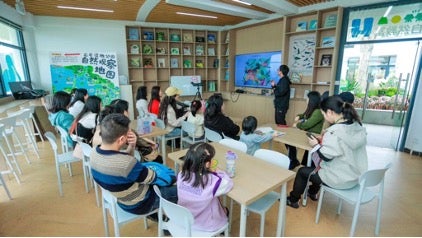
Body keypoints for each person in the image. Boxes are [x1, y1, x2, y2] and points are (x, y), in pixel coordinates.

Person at [286, 96, 368, 208]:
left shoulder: (333, 132)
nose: (324, 118)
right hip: (354, 177)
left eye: (324, 115)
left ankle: (293, 200)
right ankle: (312, 192)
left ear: (329, 112)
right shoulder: (356, 126)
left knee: (302, 171)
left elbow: (326, 157)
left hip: (339, 179)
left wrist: (315, 145)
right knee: (317, 167)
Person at [90, 113, 177, 216]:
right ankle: (166, 220)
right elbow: (155, 178)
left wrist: (132, 145)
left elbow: (124, 165)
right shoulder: (126, 164)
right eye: (128, 134)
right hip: (141, 204)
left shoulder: (94, 153)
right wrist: (174, 178)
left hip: (122, 200)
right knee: (184, 190)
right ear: (122, 139)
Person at [177, 142, 233, 232]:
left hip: (185, 219)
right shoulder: (213, 181)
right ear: (207, 164)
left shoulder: (181, 175)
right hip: (206, 225)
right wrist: (217, 171)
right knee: (224, 209)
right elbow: (229, 183)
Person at [288, 91, 324, 169]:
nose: (306, 100)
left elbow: (307, 125)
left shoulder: (318, 112)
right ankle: (293, 160)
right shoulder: (312, 109)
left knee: (291, 141)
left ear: (312, 100)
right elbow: (304, 115)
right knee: (290, 141)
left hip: (312, 136)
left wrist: (297, 125)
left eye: (307, 98)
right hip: (306, 133)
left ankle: (294, 161)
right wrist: (299, 116)